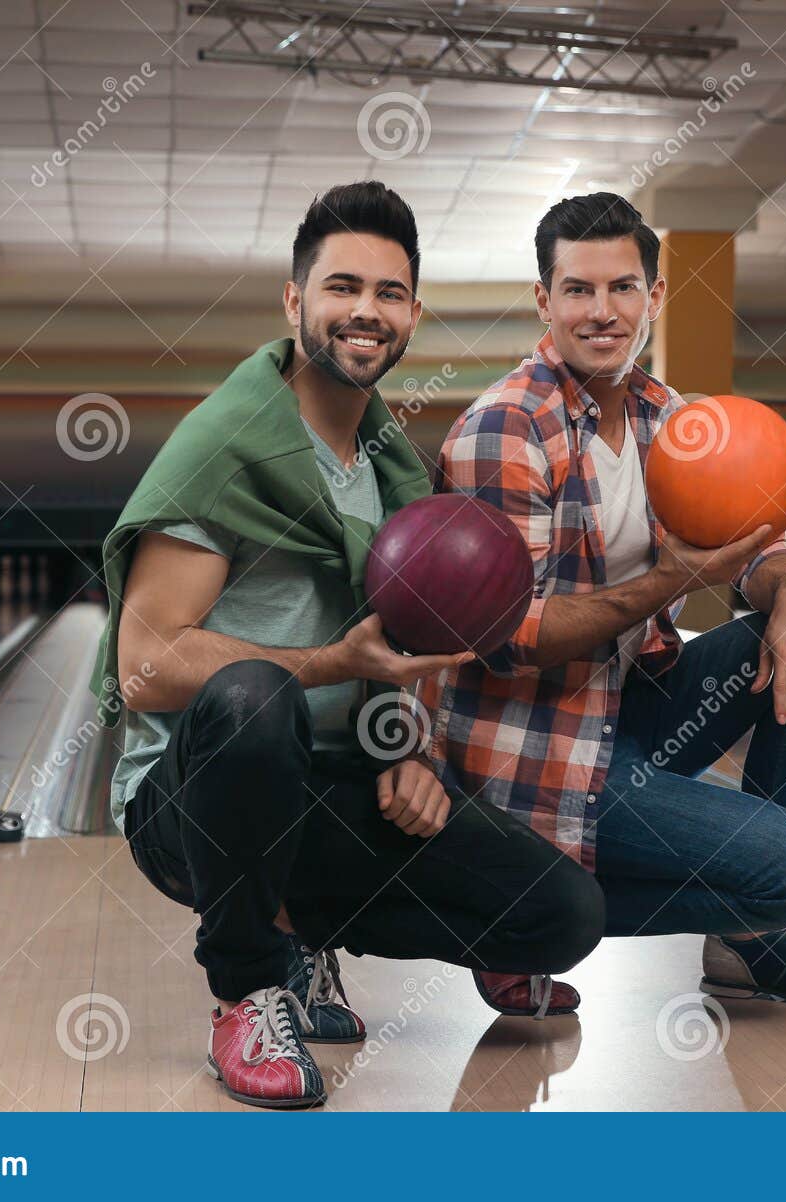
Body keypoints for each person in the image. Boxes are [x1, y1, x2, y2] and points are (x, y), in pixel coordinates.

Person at [91, 182, 603, 1110]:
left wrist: (403, 744)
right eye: (342, 287)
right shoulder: (227, 447)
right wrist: (329, 668)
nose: (366, 311)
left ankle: (298, 928)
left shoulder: (391, 468)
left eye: (390, 292)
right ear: (295, 303)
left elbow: (393, 652)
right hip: (196, 802)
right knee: (256, 695)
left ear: (410, 314)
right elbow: (146, 667)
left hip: (327, 782)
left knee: (561, 915)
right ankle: (248, 989)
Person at [422, 193, 786, 1014]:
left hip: (632, 716)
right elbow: (509, 639)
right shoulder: (504, 430)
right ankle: (509, 913)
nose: (602, 312)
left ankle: (754, 947)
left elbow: (765, 544)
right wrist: (673, 577)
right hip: (536, 756)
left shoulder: (669, 418)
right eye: (578, 290)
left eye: (623, 288)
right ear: (544, 300)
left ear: (656, 297)